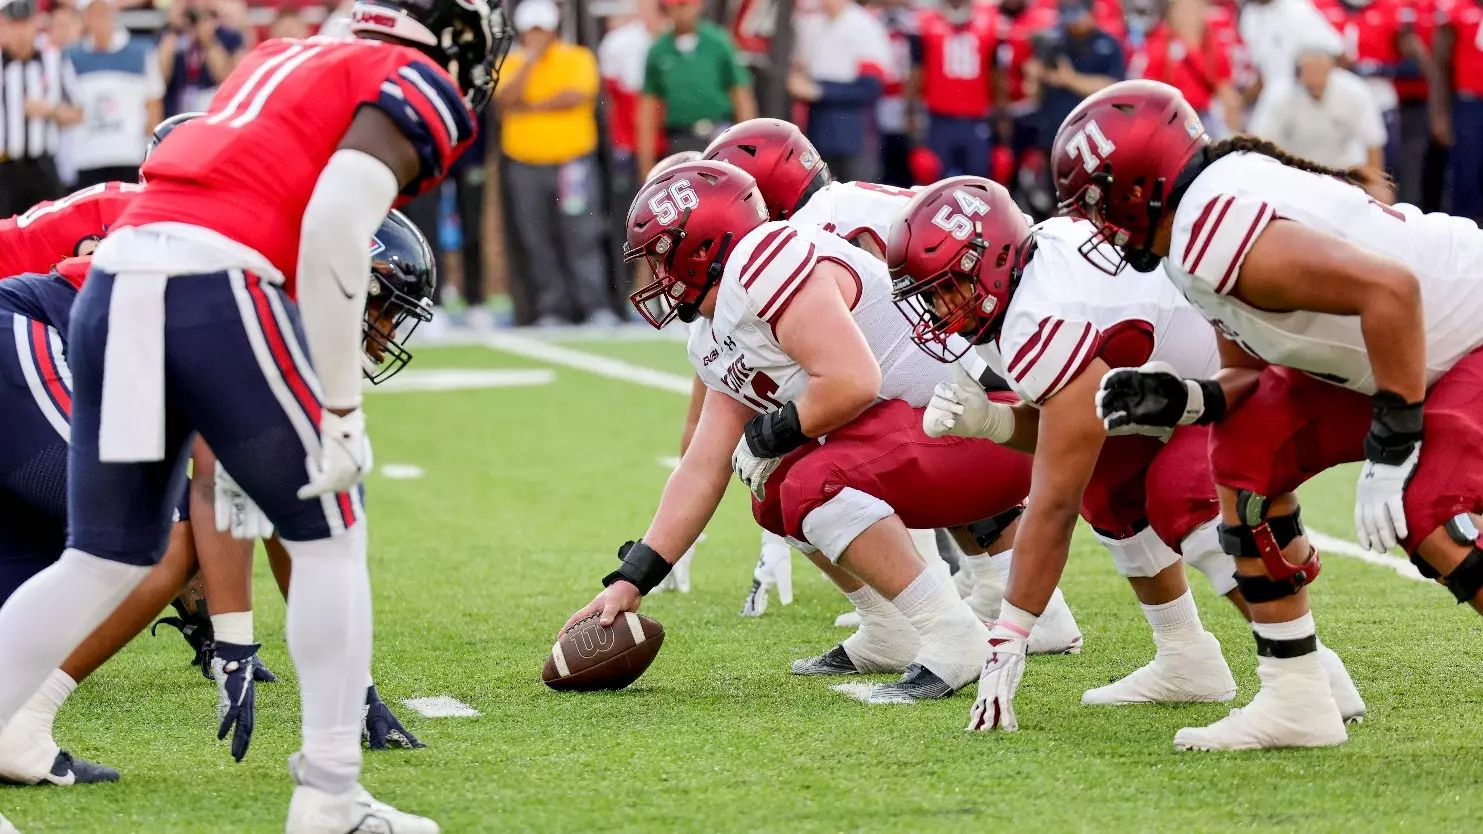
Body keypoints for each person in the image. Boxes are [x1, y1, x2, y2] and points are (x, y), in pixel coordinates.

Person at [0, 3, 510, 834]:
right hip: (211, 281)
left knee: (101, 559)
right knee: (332, 533)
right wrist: (339, 407)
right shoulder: (403, 79)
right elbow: (340, 222)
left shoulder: (277, 57)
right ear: (452, 38)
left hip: (116, 281)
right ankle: (331, 798)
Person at [1054, 79, 1483, 751]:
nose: (1094, 223)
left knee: (1426, 511)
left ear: (1141, 186)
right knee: (1244, 445)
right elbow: (1248, 376)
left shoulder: (1210, 228)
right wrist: (1182, 398)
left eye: (1096, 202)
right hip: (1395, 350)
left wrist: (1393, 445)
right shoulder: (1191, 229)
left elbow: (1391, 292)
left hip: (1460, 335)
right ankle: (1297, 698)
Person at [887, 176, 1366, 732]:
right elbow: (1076, 424)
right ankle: (1185, 656)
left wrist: (1009, 635)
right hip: (1185, 386)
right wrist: (991, 421)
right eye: (929, 292)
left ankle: (1311, 672)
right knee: (1107, 482)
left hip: (1249, 374)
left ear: (990, 258)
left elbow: (1052, 505)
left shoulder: (1040, 312)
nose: (939, 306)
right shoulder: (1025, 282)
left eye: (950, 286)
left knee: (1182, 494)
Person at [562, 160, 1049, 704]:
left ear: (699, 247)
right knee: (772, 490)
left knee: (809, 479)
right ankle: (890, 629)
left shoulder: (764, 260)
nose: (650, 275)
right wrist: (632, 580)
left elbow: (852, 380)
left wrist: (772, 431)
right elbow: (703, 467)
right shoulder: (716, 331)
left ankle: (953, 638)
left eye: (657, 254)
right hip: (928, 440)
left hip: (989, 431)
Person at [702, 119, 1084, 637]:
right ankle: (988, 591)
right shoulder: (840, 206)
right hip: (977, 333)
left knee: (899, 428)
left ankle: (958, 604)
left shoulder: (809, 230)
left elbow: (886, 357)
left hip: (987, 339)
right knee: (906, 418)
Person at [495, 0, 616, 327]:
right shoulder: (513, 62)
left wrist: (530, 105)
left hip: (571, 165)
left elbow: (577, 95)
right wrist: (530, 64)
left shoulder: (576, 57)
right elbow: (504, 98)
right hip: (525, 165)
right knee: (537, 239)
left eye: (542, 29)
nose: (537, 36)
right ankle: (553, 309)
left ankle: (594, 305)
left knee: (582, 235)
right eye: (531, 30)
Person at [636, 0, 755, 176]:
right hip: (681, 140)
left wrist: (750, 146)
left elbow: (741, 95)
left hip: (720, 135)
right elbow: (647, 110)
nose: (681, 11)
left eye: (685, 4)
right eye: (675, 5)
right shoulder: (658, 51)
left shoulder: (718, 41)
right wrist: (646, 163)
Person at [1248, 47, 1390, 191]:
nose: (1315, 78)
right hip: (1295, 172)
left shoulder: (1355, 92)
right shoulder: (1279, 95)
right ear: (1299, 73)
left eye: (1319, 71)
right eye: (1309, 71)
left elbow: (1373, 141)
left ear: (1331, 69)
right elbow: (1260, 140)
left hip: (1344, 171)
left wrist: (1375, 184)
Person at [63, 0, 163, 187]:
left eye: (102, 12)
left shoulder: (142, 52)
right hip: (88, 157)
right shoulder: (71, 56)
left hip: (129, 155)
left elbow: (154, 107)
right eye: (92, 14)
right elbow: (71, 110)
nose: (98, 20)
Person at [790, 0, 892, 182]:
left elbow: (871, 88)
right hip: (818, 129)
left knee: (858, 195)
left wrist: (821, 91)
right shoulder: (812, 22)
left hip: (854, 132)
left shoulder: (864, 25)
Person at [0, 0, 81, 216]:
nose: (20, 32)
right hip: (4, 168)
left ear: (35, 25)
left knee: (50, 232)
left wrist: (49, 110)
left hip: (42, 167)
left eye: (25, 24)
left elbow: (77, 113)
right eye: (13, 24)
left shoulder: (54, 60)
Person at [908, 0, 996, 179]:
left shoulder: (990, 19)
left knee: (980, 180)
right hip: (939, 118)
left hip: (976, 117)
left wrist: (1002, 116)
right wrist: (910, 110)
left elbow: (997, 74)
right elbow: (917, 72)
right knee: (935, 180)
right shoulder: (925, 21)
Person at [1026, 0, 1125, 155]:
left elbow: (1113, 87)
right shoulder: (1053, 41)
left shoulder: (1108, 43)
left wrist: (1070, 80)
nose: (1072, 22)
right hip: (1054, 132)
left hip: (1094, 137)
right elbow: (1033, 93)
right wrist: (1036, 76)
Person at [1133, 0, 1244, 133]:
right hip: (1173, 115)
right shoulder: (1161, 42)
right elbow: (1151, 89)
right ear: (1172, 13)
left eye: (1194, 7)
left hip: (1205, 114)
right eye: (1183, 8)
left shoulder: (1213, 43)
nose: (1189, 14)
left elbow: (1224, 87)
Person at [1435, 0, 1483, 220]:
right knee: (1466, 172)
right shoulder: (1458, 11)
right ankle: (1465, 233)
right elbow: (1441, 65)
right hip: (1468, 103)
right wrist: (1440, 114)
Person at [157, 0, 247, 116]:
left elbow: (226, 78)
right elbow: (159, 80)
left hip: (212, 108)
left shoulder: (228, 37)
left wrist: (209, 42)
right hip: (176, 111)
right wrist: (173, 30)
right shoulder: (170, 36)